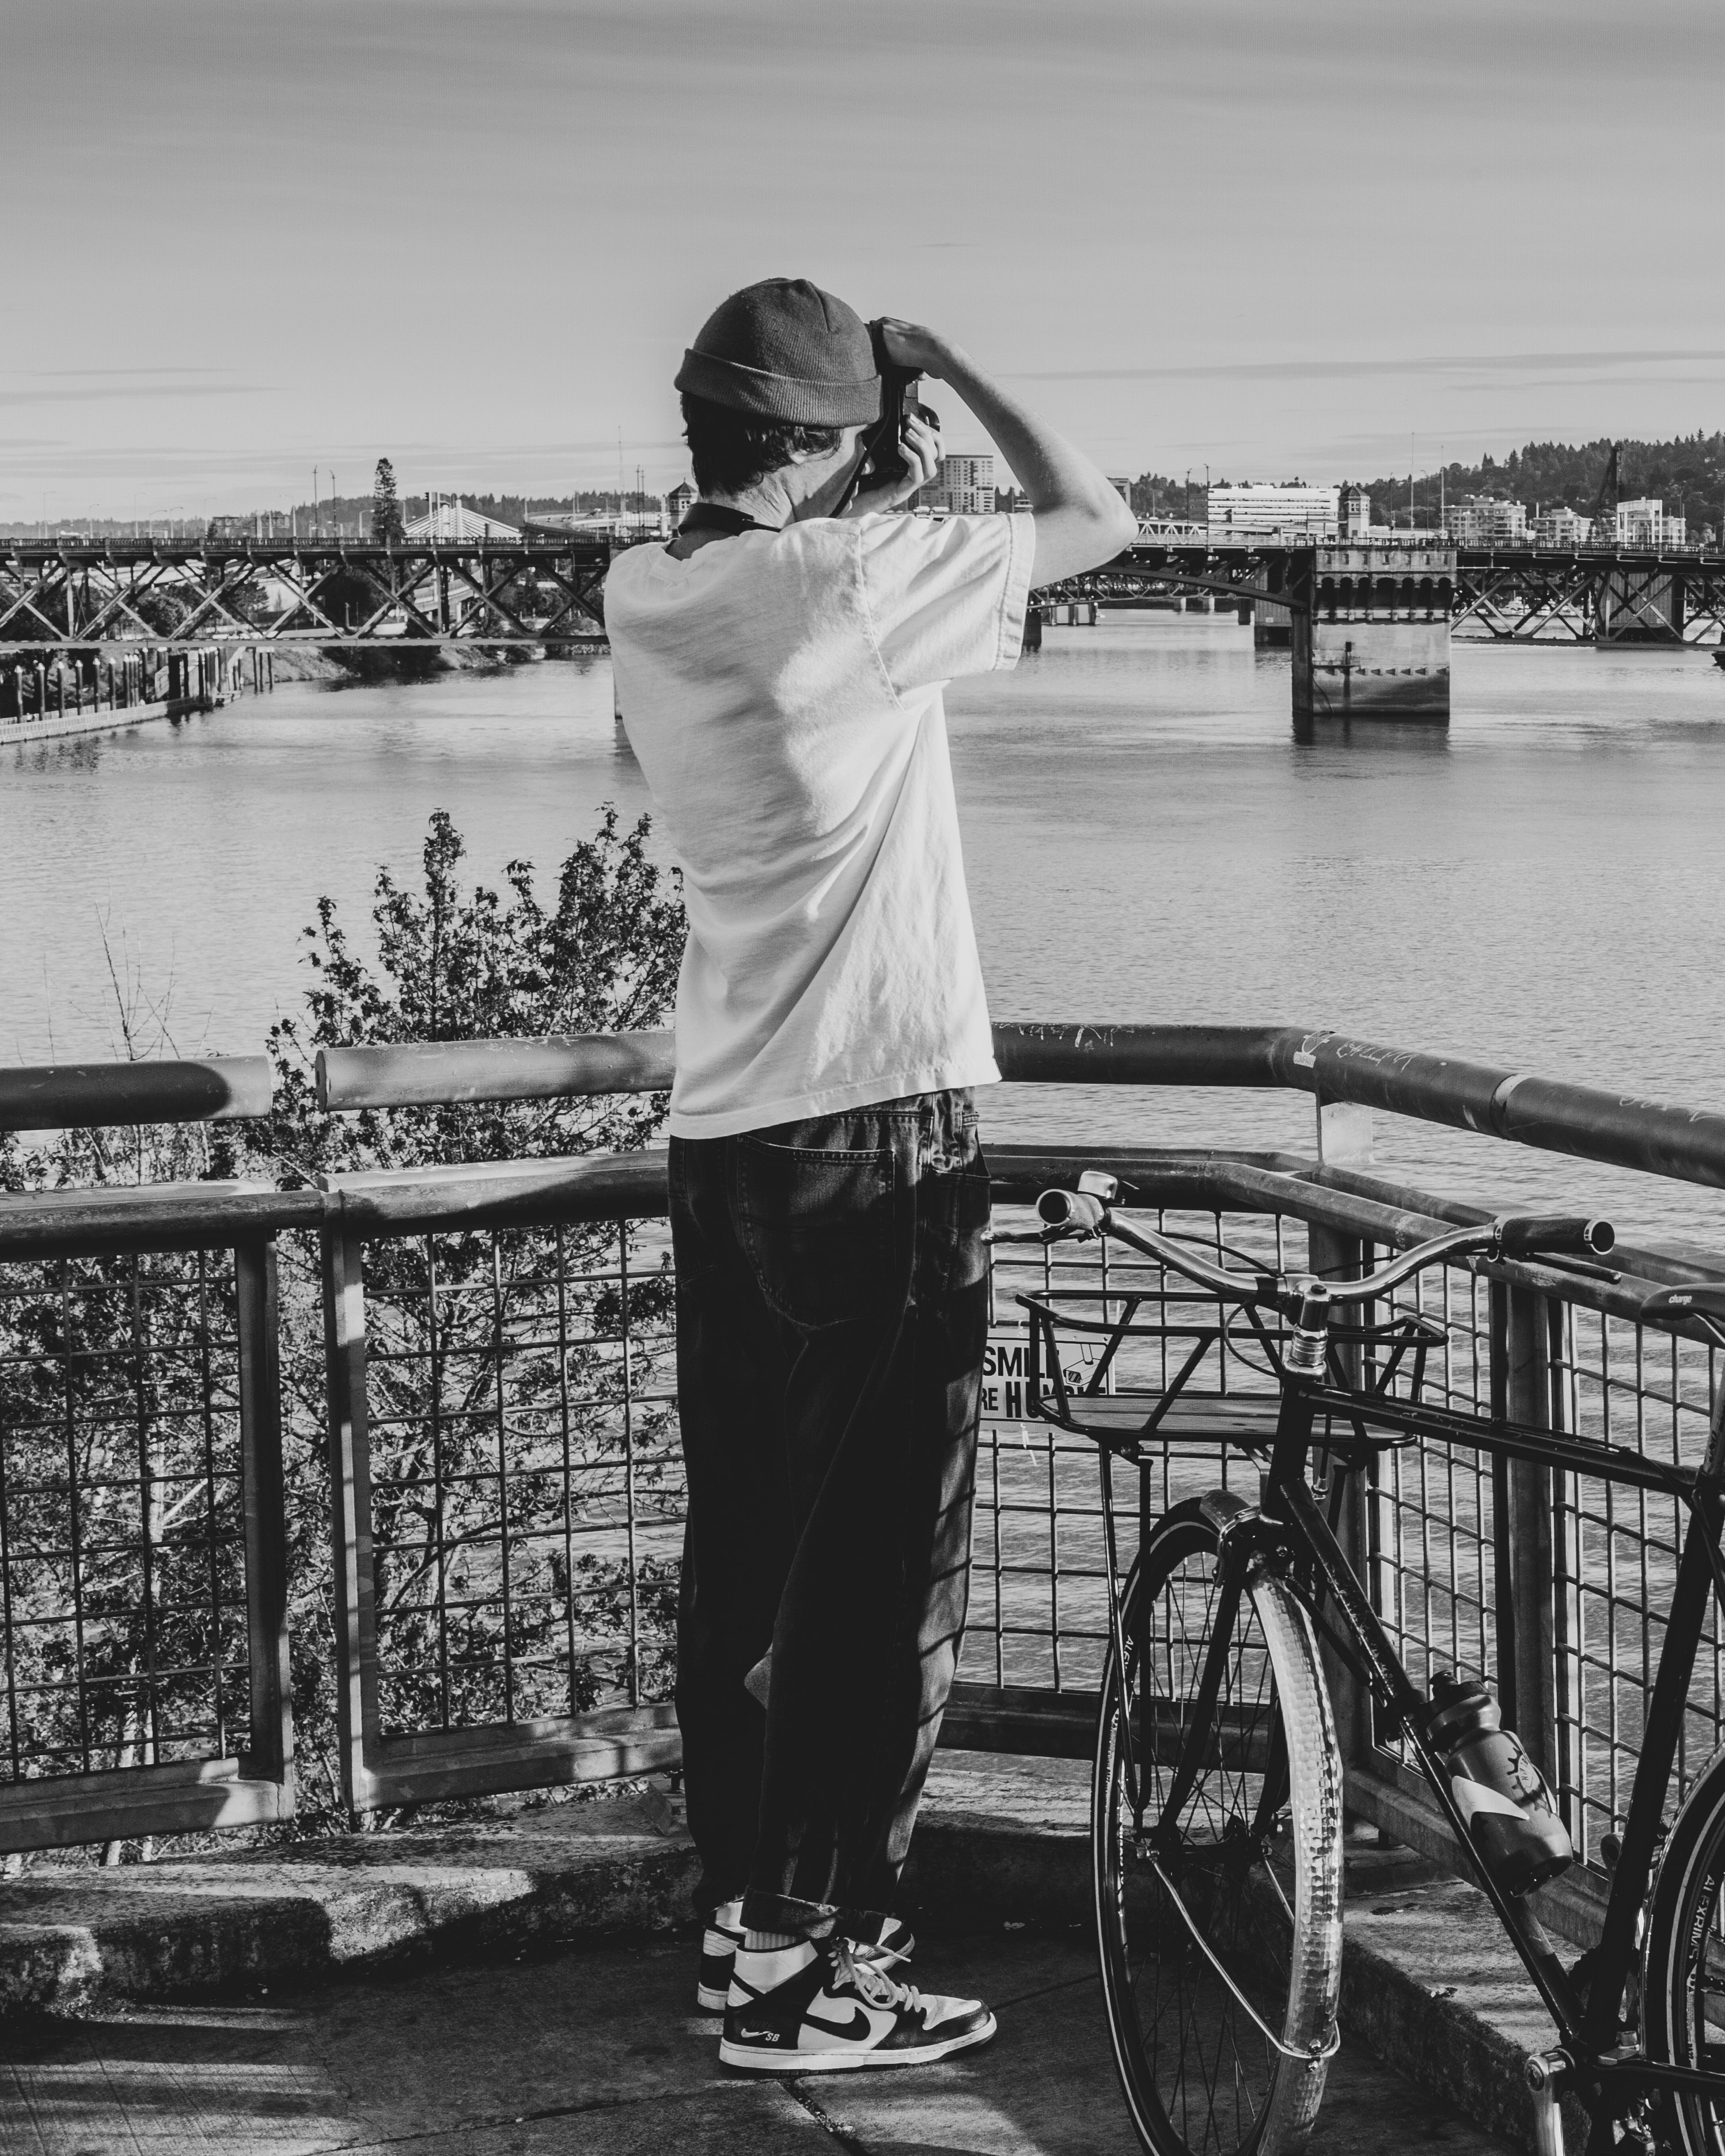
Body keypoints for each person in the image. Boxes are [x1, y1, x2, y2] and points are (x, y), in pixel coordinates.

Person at [603, 277, 1135, 2075]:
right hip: (877, 1135)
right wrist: (952, 354)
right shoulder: (848, 584)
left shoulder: (654, 587)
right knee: (882, 1569)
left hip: (728, 1134)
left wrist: (865, 457)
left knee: (751, 1548)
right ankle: (815, 1965)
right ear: (831, 443)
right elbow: (1101, 518)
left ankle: (740, 1919)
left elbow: (821, 577)